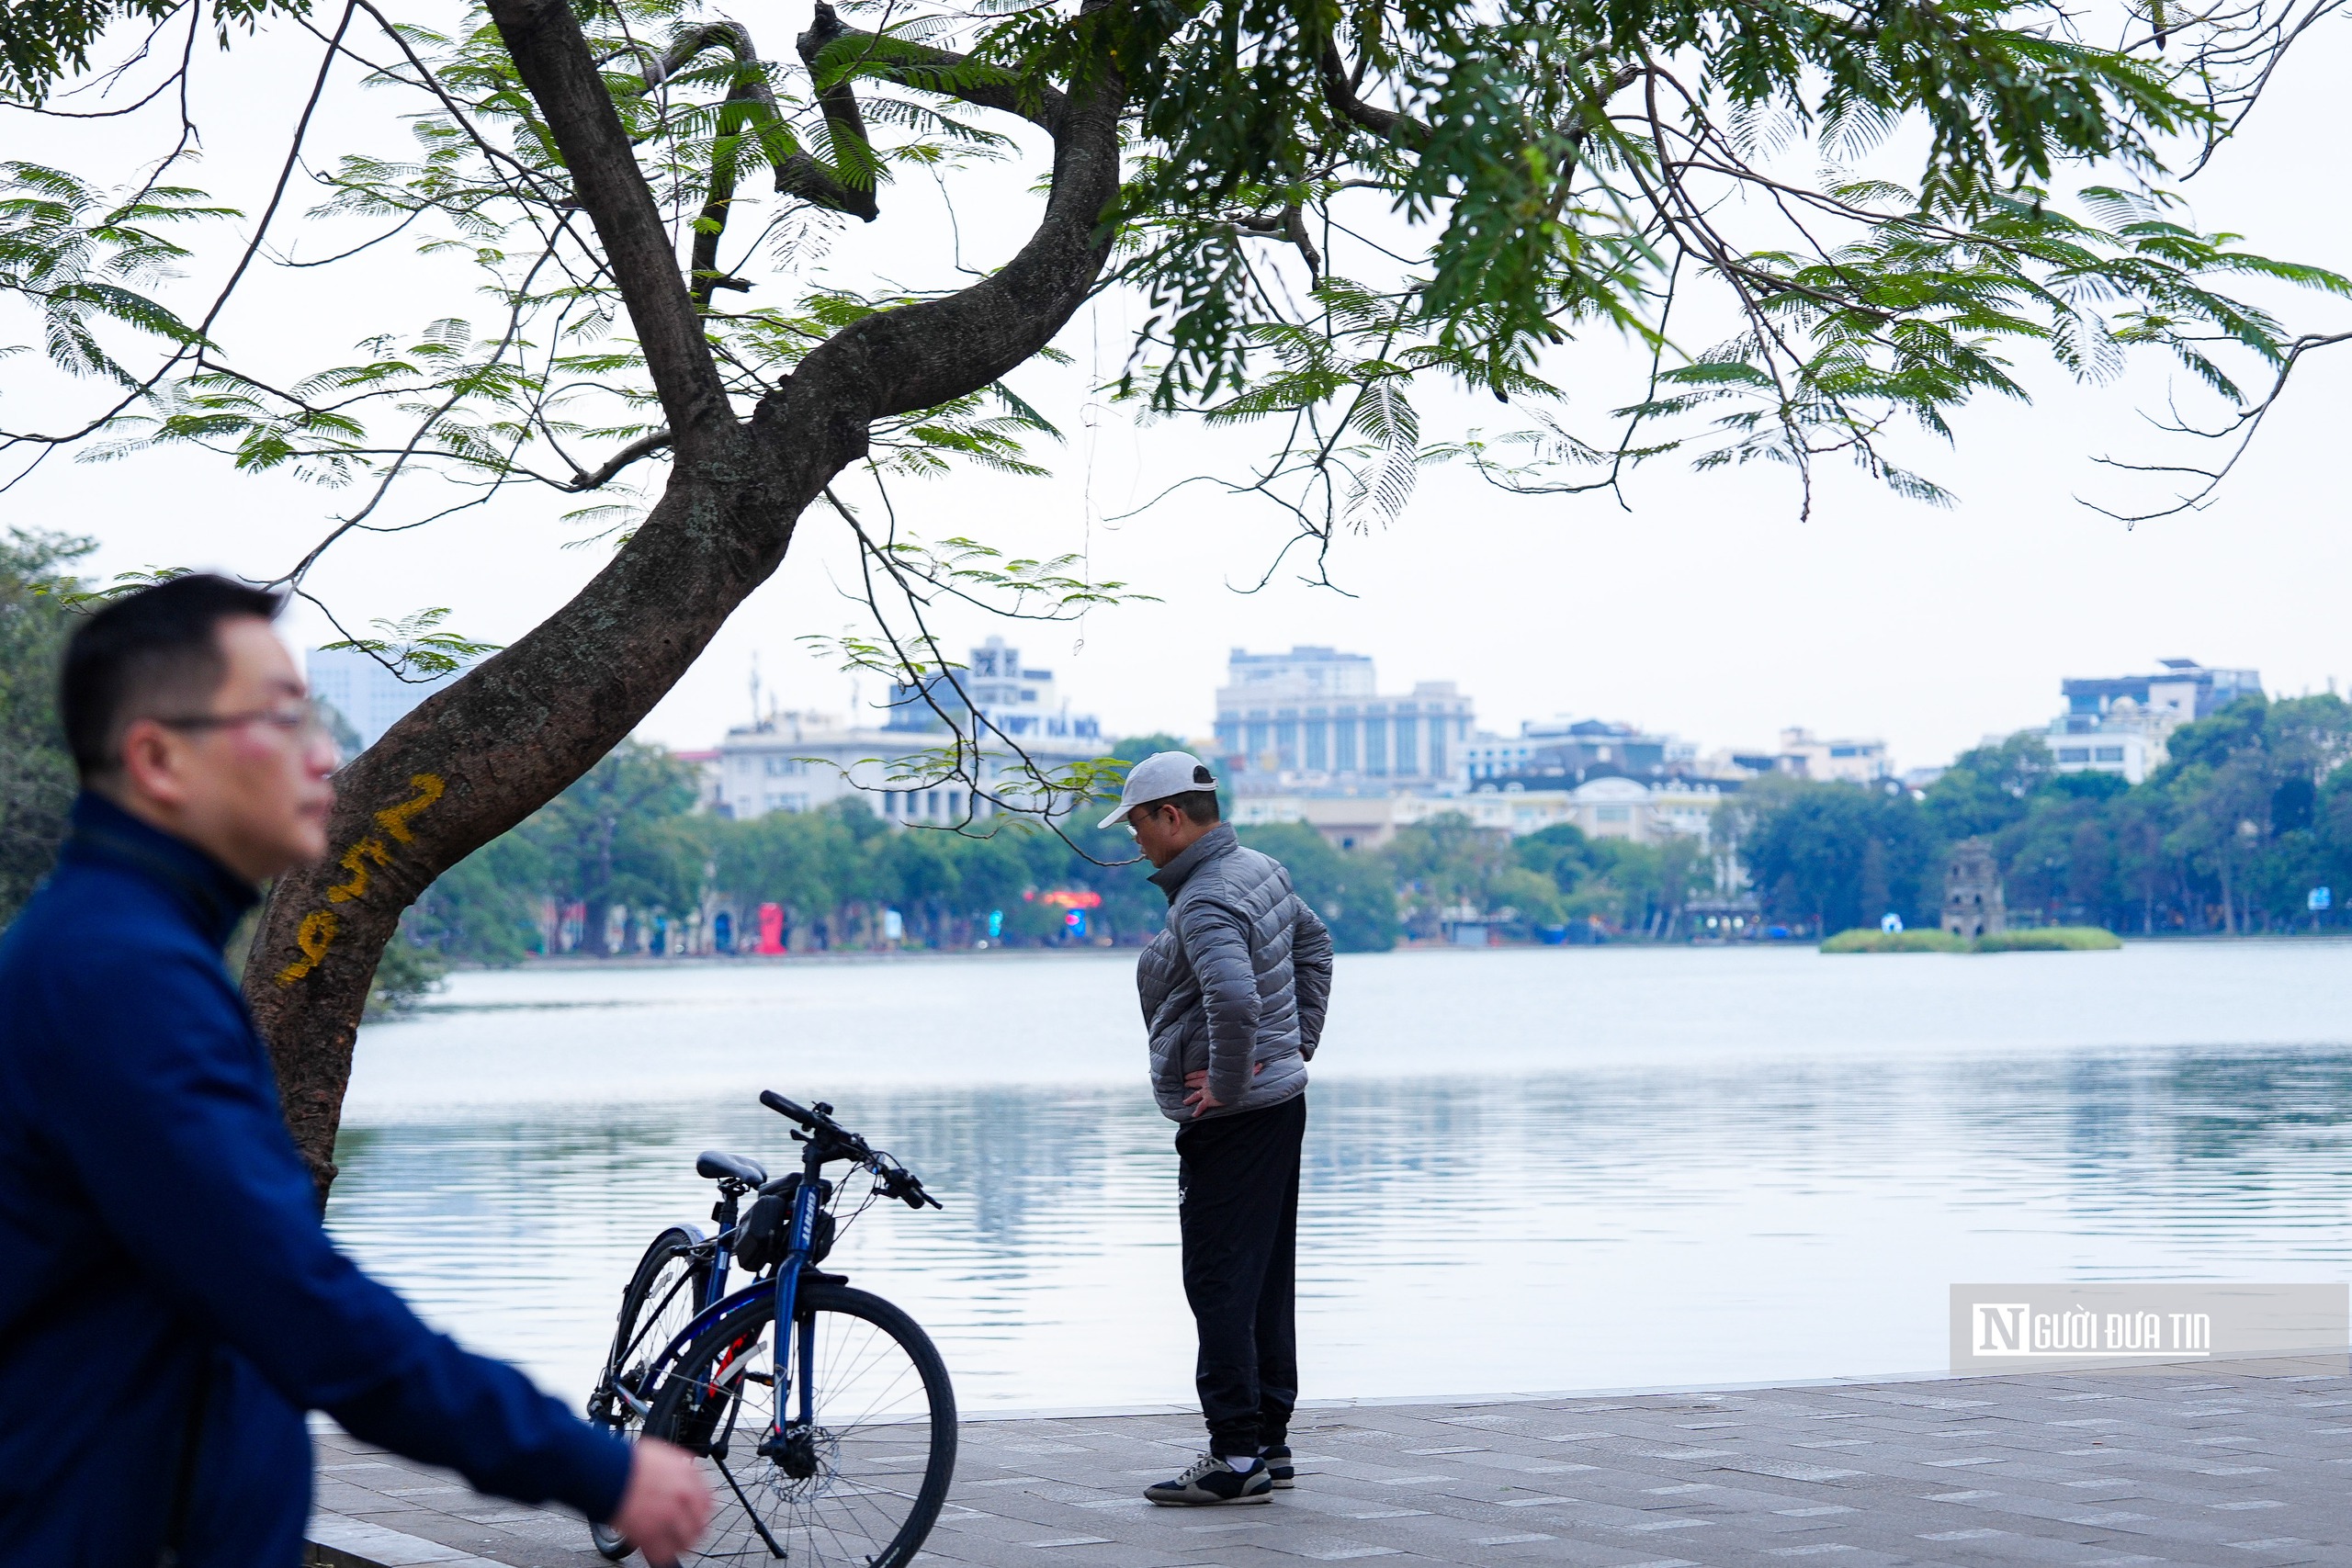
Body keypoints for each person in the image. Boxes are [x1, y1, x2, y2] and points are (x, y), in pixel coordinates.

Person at [0, 576, 711, 1566]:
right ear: (158, 758)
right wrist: (595, 1467)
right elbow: (295, 1302)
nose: (324, 755)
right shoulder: (116, 981)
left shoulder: (124, 955)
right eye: (283, 720)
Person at [1104, 752, 1333, 1506]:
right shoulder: (1260, 868)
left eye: (1139, 822)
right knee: (1264, 1275)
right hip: (1281, 1104)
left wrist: (1228, 1088)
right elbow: (1316, 944)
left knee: (1218, 1280)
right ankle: (1269, 1438)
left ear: (1171, 815)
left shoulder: (1205, 899)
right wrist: (1295, 1044)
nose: (1136, 839)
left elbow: (1233, 1004)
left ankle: (1234, 1453)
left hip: (1237, 1119)